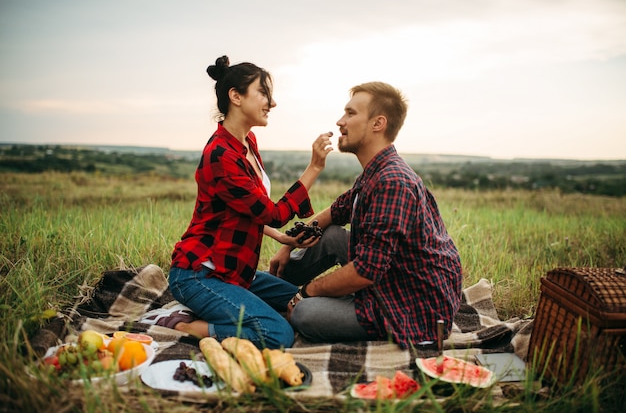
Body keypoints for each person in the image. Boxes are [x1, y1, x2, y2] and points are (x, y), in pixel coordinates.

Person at [271, 81, 463, 349]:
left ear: (377, 123)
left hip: (413, 307)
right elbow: (337, 211)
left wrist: (307, 293)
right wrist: (290, 243)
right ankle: (273, 290)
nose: (340, 121)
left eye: (350, 113)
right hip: (392, 276)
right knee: (330, 234)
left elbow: (366, 271)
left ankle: (290, 299)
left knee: (305, 314)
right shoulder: (376, 171)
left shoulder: (393, 181)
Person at [166, 55, 333, 349]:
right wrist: (314, 167)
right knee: (278, 334)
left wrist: (282, 238)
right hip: (199, 273)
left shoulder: (247, 143)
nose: (273, 102)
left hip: (235, 271)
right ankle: (194, 327)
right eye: (264, 93)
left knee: (299, 301)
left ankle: (232, 311)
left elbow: (246, 212)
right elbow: (274, 213)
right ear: (236, 97)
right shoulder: (221, 155)